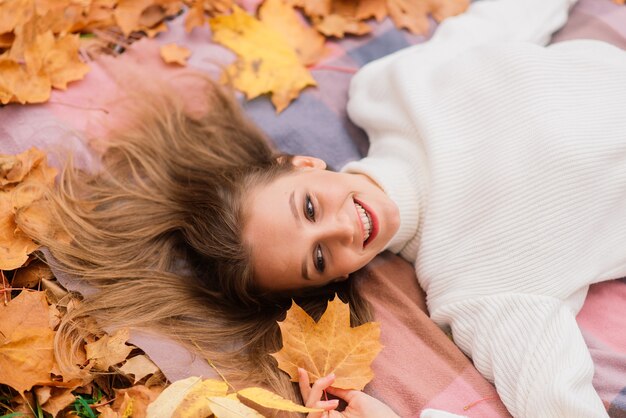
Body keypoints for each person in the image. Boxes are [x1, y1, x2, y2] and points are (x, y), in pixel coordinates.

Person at [25, 0, 626, 416]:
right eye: (318, 258)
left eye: (309, 208)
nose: (342, 228)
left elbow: (508, 18)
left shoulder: (390, 90)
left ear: (303, 165)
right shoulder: (475, 289)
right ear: (335, 281)